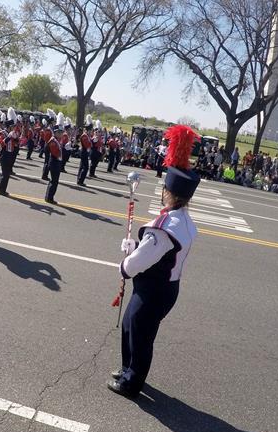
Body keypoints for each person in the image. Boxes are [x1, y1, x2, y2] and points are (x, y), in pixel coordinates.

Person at [108, 125, 200, 399]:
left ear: (168, 192)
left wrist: (126, 265)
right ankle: (129, 369)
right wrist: (136, 245)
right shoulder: (183, 221)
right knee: (131, 326)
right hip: (166, 287)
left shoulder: (164, 225)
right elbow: (158, 253)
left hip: (153, 289)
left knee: (140, 333)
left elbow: (143, 260)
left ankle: (132, 382)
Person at [0, 108, 19, 196]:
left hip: (10, 154)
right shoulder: (2, 133)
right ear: (9, 127)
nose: (14, 128)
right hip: (4, 155)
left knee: (7, 174)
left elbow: (16, 144)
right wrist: (9, 137)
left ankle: (3, 189)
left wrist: (16, 139)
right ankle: (1, 190)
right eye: (13, 127)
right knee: (5, 174)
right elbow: (0, 145)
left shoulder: (12, 133)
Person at [44, 114, 65, 204]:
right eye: (59, 132)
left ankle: (49, 197)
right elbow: (55, 153)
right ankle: (49, 198)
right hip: (54, 162)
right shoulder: (53, 141)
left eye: (61, 132)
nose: (61, 134)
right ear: (55, 132)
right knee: (54, 181)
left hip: (57, 162)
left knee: (55, 181)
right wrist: (61, 149)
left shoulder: (58, 140)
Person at [77, 115, 93, 186]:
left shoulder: (87, 136)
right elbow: (87, 145)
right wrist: (91, 143)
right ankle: (80, 180)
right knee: (85, 167)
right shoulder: (84, 136)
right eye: (91, 130)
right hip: (84, 151)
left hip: (85, 151)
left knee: (82, 166)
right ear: (88, 129)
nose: (91, 131)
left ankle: (79, 179)